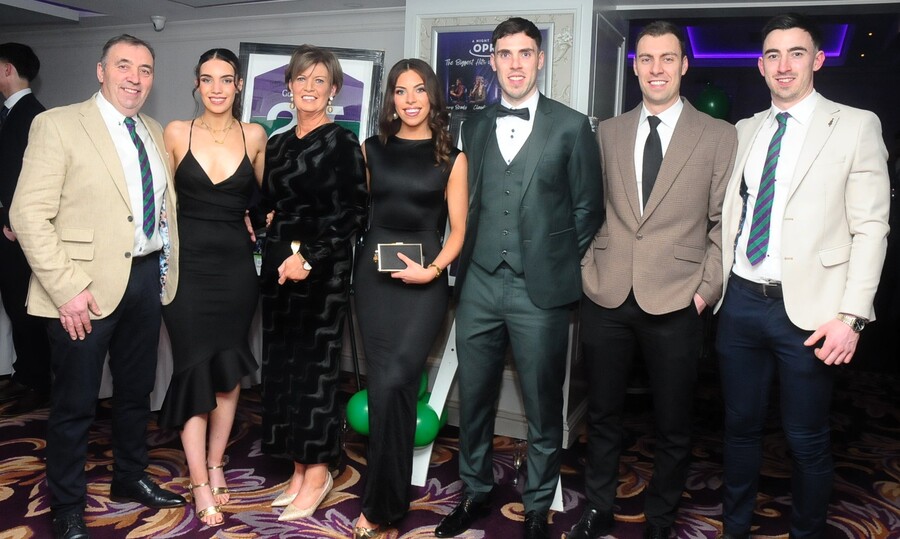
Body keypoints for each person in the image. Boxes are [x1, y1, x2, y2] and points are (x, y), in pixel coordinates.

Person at [714, 13, 890, 539]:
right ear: (760, 66)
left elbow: (871, 227)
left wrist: (852, 317)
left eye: (796, 53)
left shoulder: (855, 124)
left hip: (813, 313)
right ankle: (733, 528)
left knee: (806, 438)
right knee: (739, 430)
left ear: (818, 59)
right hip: (741, 301)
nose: (784, 65)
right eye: (773, 55)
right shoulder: (745, 130)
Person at [9, 34, 185, 539]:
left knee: (135, 391)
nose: (135, 78)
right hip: (80, 289)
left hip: (144, 279)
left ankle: (130, 475)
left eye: (145, 69)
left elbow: (159, 209)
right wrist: (67, 289)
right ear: (101, 71)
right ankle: (66, 504)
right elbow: (27, 215)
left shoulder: (152, 129)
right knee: (75, 404)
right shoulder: (58, 124)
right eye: (124, 66)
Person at [434, 17, 604, 539]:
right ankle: (475, 490)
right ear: (492, 61)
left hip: (540, 291)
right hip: (479, 283)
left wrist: (553, 260)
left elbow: (588, 208)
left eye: (524, 53)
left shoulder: (571, 126)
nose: (514, 63)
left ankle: (536, 505)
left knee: (542, 403)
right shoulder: (473, 125)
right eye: (505, 54)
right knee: (474, 397)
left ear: (540, 59)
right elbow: (465, 201)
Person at [575, 21, 737, 539]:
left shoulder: (718, 135)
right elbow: (587, 209)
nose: (657, 69)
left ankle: (661, 519)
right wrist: (586, 267)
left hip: (677, 297)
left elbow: (723, 223)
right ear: (635, 67)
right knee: (602, 414)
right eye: (646, 59)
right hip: (606, 292)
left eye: (668, 58)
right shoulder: (608, 132)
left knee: (673, 423)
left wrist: (705, 291)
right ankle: (598, 508)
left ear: (684, 65)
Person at [351, 58, 468, 539]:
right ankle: (386, 502)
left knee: (399, 380)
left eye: (419, 90)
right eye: (401, 91)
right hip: (374, 283)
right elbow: (353, 212)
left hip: (424, 285)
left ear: (432, 97)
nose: (410, 100)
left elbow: (458, 231)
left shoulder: (452, 157)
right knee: (385, 389)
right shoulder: (370, 150)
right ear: (391, 100)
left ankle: (382, 502)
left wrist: (433, 270)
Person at [157, 48, 266, 527]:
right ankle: (199, 479)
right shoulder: (176, 132)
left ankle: (217, 461)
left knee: (227, 371)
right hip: (187, 271)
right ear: (197, 84)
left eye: (225, 79)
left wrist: (259, 220)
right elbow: (157, 201)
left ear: (238, 85)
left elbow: (266, 203)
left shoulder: (254, 135)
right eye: (207, 79)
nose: (216, 88)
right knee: (193, 368)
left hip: (237, 270)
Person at [259, 44, 368, 523]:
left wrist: (308, 258)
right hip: (279, 268)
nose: (309, 87)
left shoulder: (342, 142)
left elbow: (354, 213)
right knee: (283, 371)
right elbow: (269, 204)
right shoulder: (278, 143)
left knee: (315, 373)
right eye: (301, 79)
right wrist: (270, 234)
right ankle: (298, 467)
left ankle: (320, 471)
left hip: (322, 272)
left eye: (319, 80)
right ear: (289, 86)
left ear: (334, 90)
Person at [0, 42, 50, 416]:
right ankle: (23, 373)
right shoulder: (8, 113)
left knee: (28, 307)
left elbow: (35, 177)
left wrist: (15, 221)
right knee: (13, 304)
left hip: (21, 230)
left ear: (7, 69)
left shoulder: (35, 116)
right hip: (6, 227)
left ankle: (40, 382)